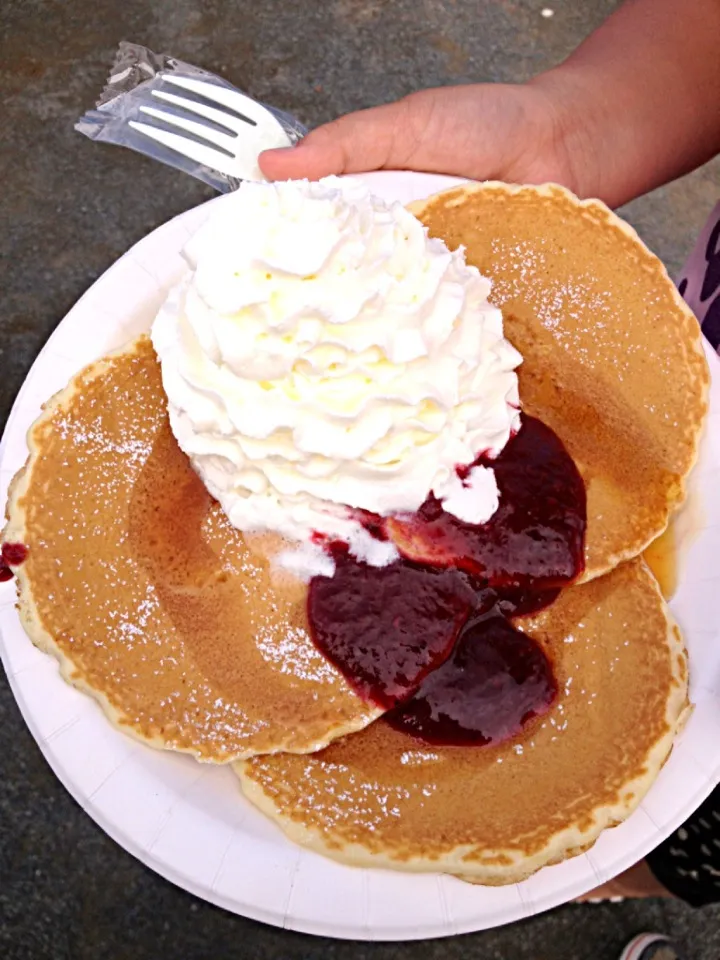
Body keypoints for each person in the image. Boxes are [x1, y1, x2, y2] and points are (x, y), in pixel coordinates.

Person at [259, 1, 720, 957]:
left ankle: (625, 866)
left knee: (664, 825)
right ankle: (600, 858)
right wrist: (572, 124)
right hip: (696, 369)